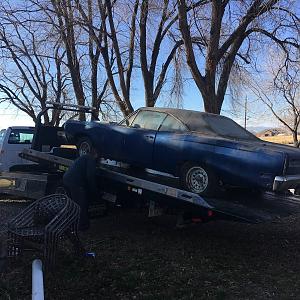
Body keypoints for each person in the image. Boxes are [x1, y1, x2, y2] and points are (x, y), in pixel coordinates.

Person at [63, 149, 99, 230]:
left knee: (72, 204)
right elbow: (90, 176)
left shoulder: (83, 157)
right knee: (81, 205)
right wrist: (93, 190)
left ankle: (69, 224)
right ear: (95, 154)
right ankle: (82, 226)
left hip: (67, 179)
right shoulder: (90, 159)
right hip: (75, 182)